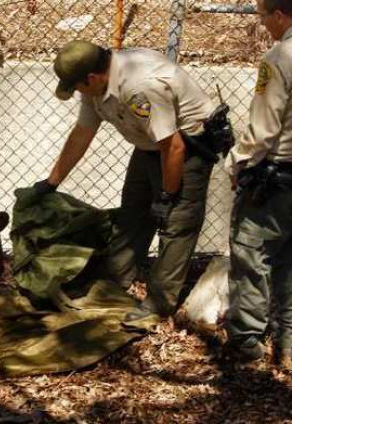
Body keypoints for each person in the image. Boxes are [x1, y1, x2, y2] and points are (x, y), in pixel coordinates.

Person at [33, 40, 233, 321]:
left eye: (76, 86)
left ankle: (159, 302)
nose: (77, 92)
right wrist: (51, 181)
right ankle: (116, 276)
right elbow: (82, 132)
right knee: (134, 211)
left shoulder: (138, 86)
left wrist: (167, 195)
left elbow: (173, 147)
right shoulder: (96, 86)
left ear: (90, 78)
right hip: (152, 144)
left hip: (188, 146)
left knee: (177, 223)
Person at [223, 0, 291, 368]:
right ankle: (290, 339)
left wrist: (236, 162)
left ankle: (247, 342)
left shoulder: (280, 58)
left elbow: (264, 130)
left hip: (280, 175)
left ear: (279, 15)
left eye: (263, 16)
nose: (263, 24)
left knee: (252, 252)